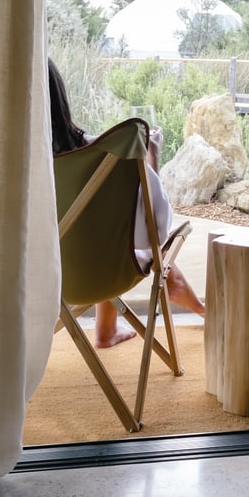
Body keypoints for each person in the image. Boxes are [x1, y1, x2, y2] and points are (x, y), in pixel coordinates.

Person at [48, 58, 205, 348]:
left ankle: (108, 328)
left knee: (86, 228)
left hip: (40, 278)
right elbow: (154, 233)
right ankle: (186, 294)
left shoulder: (5, 170)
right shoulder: (108, 155)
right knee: (147, 246)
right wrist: (151, 158)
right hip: (105, 275)